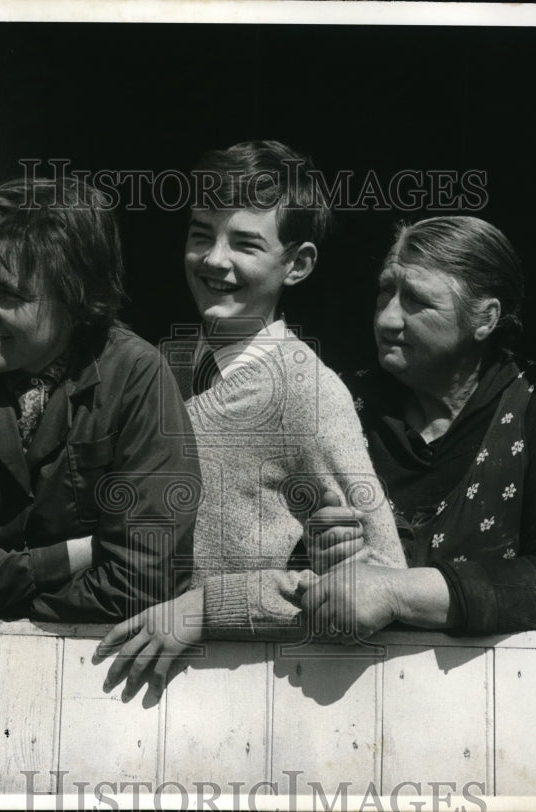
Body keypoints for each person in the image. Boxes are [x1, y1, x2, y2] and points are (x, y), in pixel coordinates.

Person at [95, 141, 407, 698]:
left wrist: (209, 607)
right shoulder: (156, 370)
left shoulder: (307, 393)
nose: (215, 259)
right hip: (109, 673)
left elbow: (382, 576)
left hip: (238, 695)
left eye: (245, 243)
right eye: (200, 234)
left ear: (299, 263)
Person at [0, 176, 200, 622]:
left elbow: (144, 585)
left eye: (9, 295)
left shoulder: (135, 376)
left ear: (74, 298)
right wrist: (77, 555)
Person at [301, 216, 536, 638]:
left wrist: (396, 592)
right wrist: (321, 553)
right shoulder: (341, 405)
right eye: (385, 291)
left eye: (416, 300)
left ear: (485, 319)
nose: (386, 319)